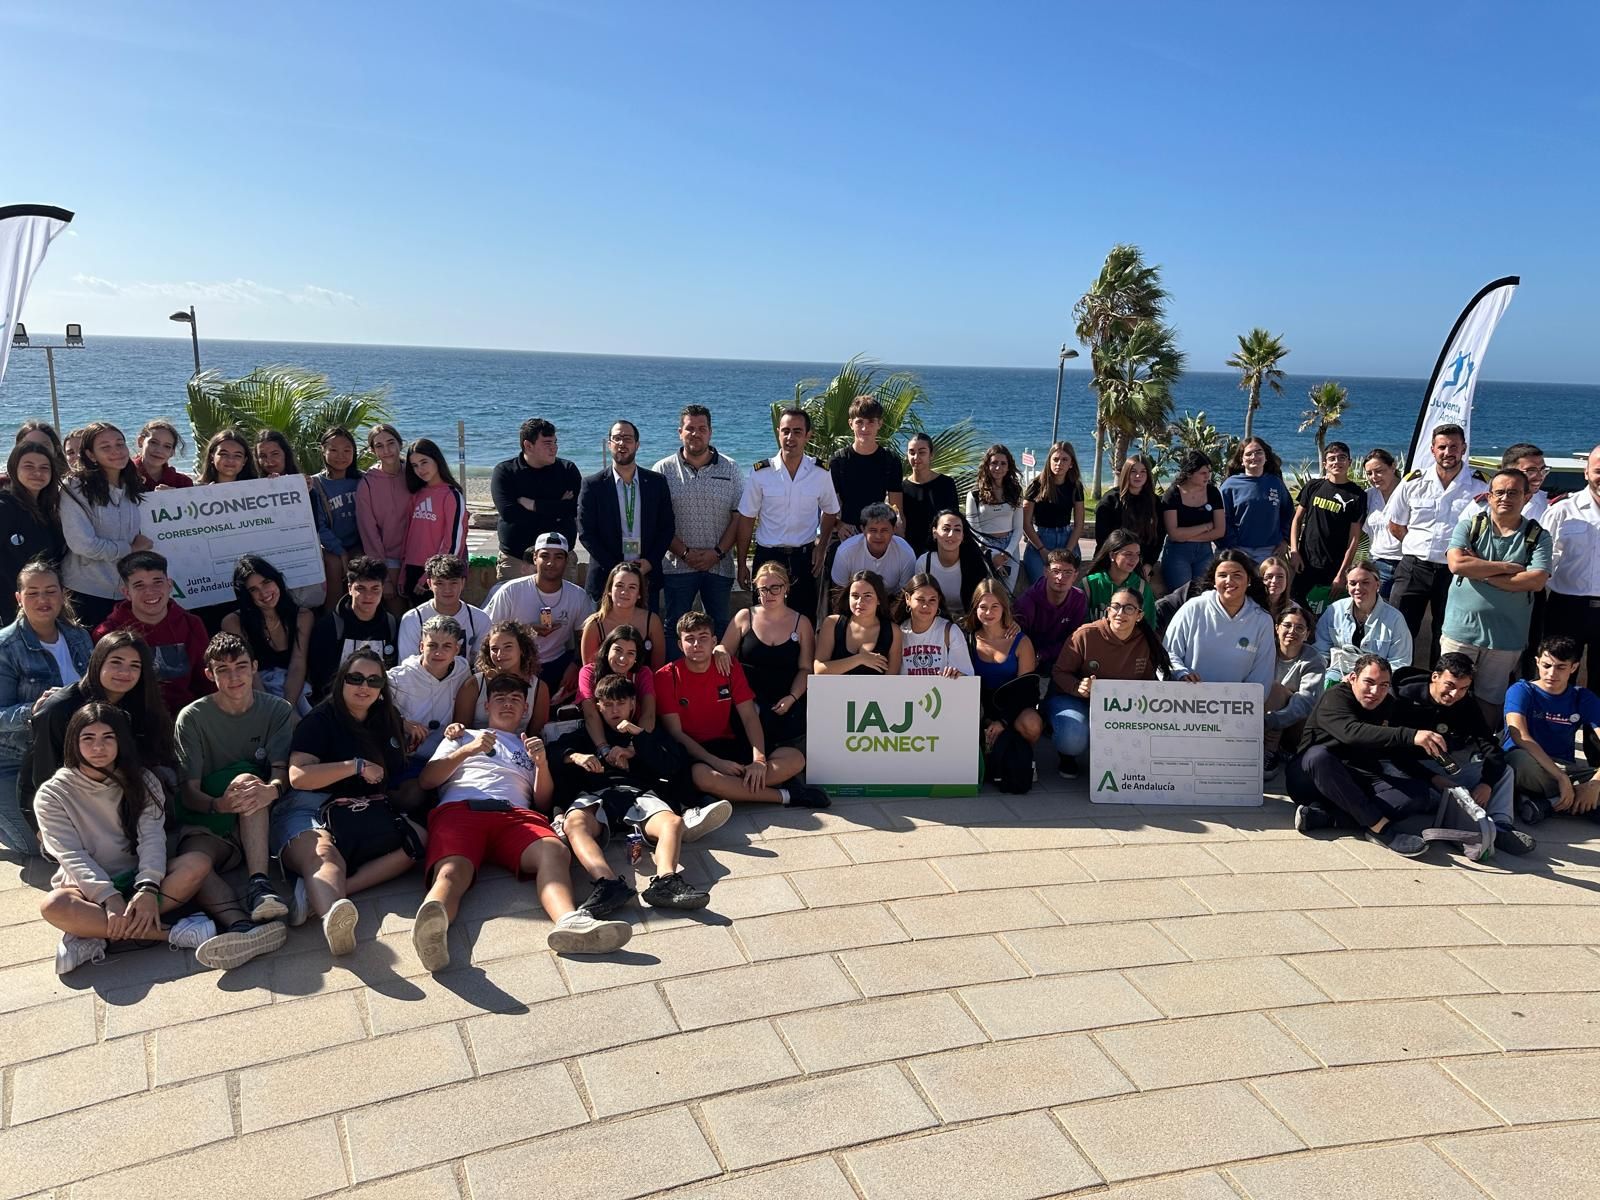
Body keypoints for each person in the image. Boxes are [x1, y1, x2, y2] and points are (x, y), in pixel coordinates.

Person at [37, 704, 282, 975]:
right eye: (88, 738)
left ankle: (96, 934)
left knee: (197, 863)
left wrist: (147, 888)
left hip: (143, 881)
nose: (98, 747)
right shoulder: (52, 795)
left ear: (121, 741)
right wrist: (110, 899)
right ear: (74, 742)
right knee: (54, 905)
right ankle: (175, 933)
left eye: (108, 738)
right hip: (90, 890)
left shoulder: (142, 780)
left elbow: (151, 837)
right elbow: (72, 856)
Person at [413, 673, 635, 968]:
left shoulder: (531, 745)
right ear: (487, 705)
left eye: (515, 699)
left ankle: (569, 921)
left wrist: (541, 764)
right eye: (501, 699)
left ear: (525, 710)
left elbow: (542, 802)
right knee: (453, 872)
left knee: (554, 850)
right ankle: (432, 926)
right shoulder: (462, 735)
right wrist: (469, 749)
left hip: (515, 814)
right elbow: (427, 781)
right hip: (461, 809)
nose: (508, 704)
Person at [279, 648, 423, 955]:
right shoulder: (320, 720)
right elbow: (298, 777)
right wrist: (353, 765)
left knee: (418, 840)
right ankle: (334, 919)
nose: (364, 687)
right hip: (311, 805)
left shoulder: (386, 718)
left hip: (360, 808)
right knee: (324, 856)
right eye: (356, 678)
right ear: (341, 680)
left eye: (373, 681)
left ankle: (324, 893)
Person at [552, 673, 714, 915]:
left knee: (672, 822)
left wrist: (638, 746)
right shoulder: (585, 734)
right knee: (574, 824)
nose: (614, 710)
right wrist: (575, 756)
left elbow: (672, 763)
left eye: (620, 703)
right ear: (598, 706)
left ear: (632, 704)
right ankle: (608, 884)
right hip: (596, 793)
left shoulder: (644, 733)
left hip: (639, 794)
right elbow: (552, 752)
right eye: (607, 704)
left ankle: (666, 881)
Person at [173, 634, 296, 936]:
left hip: (258, 812)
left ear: (254, 666)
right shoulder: (192, 718)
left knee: (246, 782)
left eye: (241, 666)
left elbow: (282, 771)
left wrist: (273, 789)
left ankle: (258, 885)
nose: (234, 677)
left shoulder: (277, 710)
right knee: (195, 865)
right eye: (223, 669)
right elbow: (189, 792)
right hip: (211, 817)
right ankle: (241, 927)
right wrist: (219, 805)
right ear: (209, 675)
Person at [659, 611, 827, 808]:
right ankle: (786, 795)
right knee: (702, 778)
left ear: (714, 642)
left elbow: (748, 716)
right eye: (690, 639)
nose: (696, 645)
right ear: (680, 645)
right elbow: (675, 733)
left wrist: (759, 760)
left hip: (728, 743)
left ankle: (728, 790)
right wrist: (715, 762)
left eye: (703, 638)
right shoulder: (666, 676)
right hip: (696, 752)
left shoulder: (728, 666)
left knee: (795, 759)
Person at [22, 632, 176, 833]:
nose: (124, 672)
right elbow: (45, 774)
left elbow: (155, 754)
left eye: (134, 666)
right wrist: (46, 828)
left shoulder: (141, 703)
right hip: (61, 794)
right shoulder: (59, 709)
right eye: (116, 662)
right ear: (97, 661)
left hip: (116, 789)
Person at [1286, 654, 1439, 858]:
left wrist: (1433, 778)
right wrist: (1411, 735)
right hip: (1311, 778)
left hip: (1357, 776)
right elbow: (1351, 732)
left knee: (1419, 796)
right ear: (1352, 678)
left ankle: (1328, 818)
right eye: (1369, 682)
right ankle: (1381, 829)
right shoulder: (1335, 697)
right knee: (1319, 756)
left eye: (1384, 685)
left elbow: (1395, 751)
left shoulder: (1387, 705)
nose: (1376, 691)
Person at [1396, 653, 1532, 856]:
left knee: (1505, 772)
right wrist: (1433, 778)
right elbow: (1393, 752)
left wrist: (1487, 783)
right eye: (1450, 685)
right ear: (1435, 677)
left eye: (1463, 688)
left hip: (1445, 767)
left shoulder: (1465, 703)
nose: (1454, 694)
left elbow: (1489, 744)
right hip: (1408, 769)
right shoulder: (1404, 696)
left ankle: (1502, 827)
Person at [1440, 467, 1552, 716]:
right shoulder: (1470, 526)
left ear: (1527, 497)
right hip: (1460, 630)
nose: (1505, 498)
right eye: (1499, 492)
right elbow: (1457, 564)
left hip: (1506, 636)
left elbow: (1535, 580)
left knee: (1491, 698)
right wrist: (1506, 569)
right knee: (1448, 692)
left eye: (1513, 493)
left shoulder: (1538, 537)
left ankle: (1483, 747)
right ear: (1489, 496)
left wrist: (1481, 571)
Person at [0, 561, 91, 851]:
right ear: (19, 598)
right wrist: (33, 709)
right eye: (33, 592)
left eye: (50, 591)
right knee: (38, 848)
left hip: (71, 757)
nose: (43, 600)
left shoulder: (79, 636)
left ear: (63, 594)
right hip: (15, 761)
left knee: (92, 839)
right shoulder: (5, 646)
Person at [1388, 423, 1484, 664]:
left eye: (1454, 446)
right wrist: (1416, 544)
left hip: (1454, 572)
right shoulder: (1413, 482)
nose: (1447, 452)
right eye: (1442, 447)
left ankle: (1437, 689)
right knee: (1400, 630)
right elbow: (1396, 524)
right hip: (1413, 568)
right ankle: (1398, 686)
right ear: (1433, 450)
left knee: (1447, 635)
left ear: (1463, 448)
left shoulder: (1481, 487)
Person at [1048, 585, 1168, 776]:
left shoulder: (1147, 641)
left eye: (1129, 608)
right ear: (1108, 610)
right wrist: (1078, 686)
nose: (1121, 613)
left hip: (1120, 705)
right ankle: (1067, 756)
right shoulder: (1085, 634)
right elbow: (1059, 672)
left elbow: (1148, 681)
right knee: (1072, 738)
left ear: (1139, 615)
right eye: (1116, 606)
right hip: (1075, 699)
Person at [735, 407, 840, 626]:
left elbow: (831, 510)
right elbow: (746, 518)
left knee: (804, 621)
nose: (790, 437)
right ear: (778, 433)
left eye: (797, 431)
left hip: (804, 559)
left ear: (807, 436)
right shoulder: (760, 472)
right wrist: (743, 561)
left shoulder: (821, 473)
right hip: (768, 558)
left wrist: (820, 548)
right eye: (785, 431)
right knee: (764, 621)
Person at [653, 405, 744, 656]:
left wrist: (717, 552)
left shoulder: (731, 468)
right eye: (690, 428)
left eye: (702, 428)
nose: (696, 434)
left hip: (719, 565)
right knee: (675, 629)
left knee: (720, 629)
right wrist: (685, 553)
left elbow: (738, 517)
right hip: (677, 566)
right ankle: (674, 685)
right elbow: (658, 522)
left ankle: (719, 685)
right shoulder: (662, 470)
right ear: (679, 432)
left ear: (710, 432)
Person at [95, 550, 212, 713]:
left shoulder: (192, 624)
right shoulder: (107, 633)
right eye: (139, 585)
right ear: (126, 593)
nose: (150, 591)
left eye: (157, 582)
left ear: (169, 585)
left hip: (187, 717)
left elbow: (206, 682)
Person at [483, 532, 594, 704]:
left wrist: (576, 665)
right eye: (544, 556)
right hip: (515, 663)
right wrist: (526, 631)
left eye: (558, 557)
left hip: (556, 662)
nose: (551, 563)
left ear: (566, 561)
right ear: (534, 558)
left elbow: (585, 637)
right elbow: (489, 632)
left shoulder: (577, 596)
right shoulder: (511, 591)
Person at [1502, 636, 1600, 827]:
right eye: (1546, 665)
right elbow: (1519, 736)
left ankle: (1547, 803)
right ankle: (1575, 801)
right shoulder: (1521, 690)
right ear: (1537, 662)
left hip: (1565, 767)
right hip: (1528, 762)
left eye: (1561, 667)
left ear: (1574, 668)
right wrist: (1561, 778)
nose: (1551, 673)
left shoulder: (1583, 697)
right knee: (1520, 763)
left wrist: (1595, 783)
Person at [60, 422, 150, 630]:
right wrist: (130, 549)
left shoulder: (132, 486)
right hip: (86, 593)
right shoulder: (74, 487)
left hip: (125, 591)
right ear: (91, 455)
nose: (116, 451)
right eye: (105, 447)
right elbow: (84, 545)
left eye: (120, 444)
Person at [577, 420, 675, 608]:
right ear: (609, 444)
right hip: (606, 578)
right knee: (605, 636)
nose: (622, 443)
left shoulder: (656, 482)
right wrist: (617, 569)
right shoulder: (592, 485)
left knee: (645, 635)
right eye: (617, 438)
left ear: (637, 445)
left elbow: (667, 527)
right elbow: (586, 533)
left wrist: (650, 561)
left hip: (646, 577)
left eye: (627, 439)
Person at [720, 560, 814, 750]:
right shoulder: (744, 617)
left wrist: (792, 698)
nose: (769, 594)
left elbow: (806, 668)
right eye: (763, 589)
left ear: (786, 588)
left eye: (775, 588)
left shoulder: (802, 623)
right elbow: (723, 649)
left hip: (785, 701)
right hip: (747, 702)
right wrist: (720, 651)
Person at [1163, 550, 1277, 697]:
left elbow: (1262, 672)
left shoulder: (1262, 620)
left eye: (1237, 575)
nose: (1229, 581)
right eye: (1222, 575)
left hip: (1237, 707)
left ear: (1248, 580)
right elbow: (1169, 653)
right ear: (1214, 581)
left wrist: (1246, 701)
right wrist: (1181, 674)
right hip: (1188, 701)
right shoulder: (1193, 608)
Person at [966, 578, 1044, 789]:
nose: (988, 612)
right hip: (980, 707)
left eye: (994, 607)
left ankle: (1024, 756)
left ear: (1004, 608)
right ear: (975, 609)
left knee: (1032, 723)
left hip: (1013, 706)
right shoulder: (967, 638)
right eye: (983, 607)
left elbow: (1026, 691)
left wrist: (1003, 721)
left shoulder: (1021, 641)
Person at [489, 417, 582, 582]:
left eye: (555, 442)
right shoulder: (505, 472)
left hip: (560, 558)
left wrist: (534, 505)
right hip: (517, 559)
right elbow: (510, 514)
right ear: (528, 445)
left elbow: (575, 509)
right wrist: (557, 507)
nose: (554, 448)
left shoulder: (567, 470)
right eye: (547, 443)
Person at [221, 554, 315, 713]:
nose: (264, 593)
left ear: (277, 580)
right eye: (253, 589)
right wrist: (274, 712)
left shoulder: (303, 616)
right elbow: (250, 673)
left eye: (266, 582)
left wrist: (287, 709)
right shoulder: (233, 622)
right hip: (257, 694)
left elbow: (298, 665)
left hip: (294, 691)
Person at [1538, 443, 1600, 680]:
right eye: (1599, 471)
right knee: (1558, 677)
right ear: (1586, 472)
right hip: (1566, 608)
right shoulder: (1562, 510)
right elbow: (1541, 560)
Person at [306, 556, 401, 701]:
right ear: (349, 588)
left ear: (382, 589)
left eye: (375, 589)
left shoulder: (392, 625)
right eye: (360, 589)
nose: (368, 596)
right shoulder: (328, 627)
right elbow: (321, 679)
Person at [388, 615, 473, 769]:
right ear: (421, 647)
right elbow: (373, 710)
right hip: (408, 757)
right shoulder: (397, 678)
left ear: (456, 649)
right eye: (432, 645)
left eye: (447, 646)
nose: (439, 653)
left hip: (447, 756)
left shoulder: (463, 670)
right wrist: (402, 723)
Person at [1289, 441, 1365, 606]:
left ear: (1349, 462)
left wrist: (1342, 573)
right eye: (1332, 459)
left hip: (1334, 567)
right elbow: (1297, 520)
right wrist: (1294, 551)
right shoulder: (1313, 486)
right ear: (1325, 464)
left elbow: (1354, 539)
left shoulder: (1357, 495)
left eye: (1342, 458)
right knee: (1298, 607)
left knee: (1328, 615)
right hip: (1305, 562)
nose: (1336, 462)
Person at [0, 440, 66, 625]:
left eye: (44, 467)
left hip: (47, 608)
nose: (37, 473)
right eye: (28, 466)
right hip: (11, 613)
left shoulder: (51, 510)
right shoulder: (5, 508)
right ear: (13, 468)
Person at [1314, 559, 1413, 682]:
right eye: (1353, 583)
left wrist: (1365, 681)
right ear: (1347, 586)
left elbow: (1400, 662)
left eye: (1365, 582)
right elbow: (1320, 650)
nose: (1358, 588)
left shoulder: (1395, 619)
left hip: (1376, 681)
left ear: (1378, 584)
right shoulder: (1334, 610)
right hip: (1336, 674)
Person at [452, 620, 551, 737]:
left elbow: (537, 734)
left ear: (522, 649)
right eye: (494, 649)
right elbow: (460, 731)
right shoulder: (473, 685)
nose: (500, 654)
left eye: (508, 647)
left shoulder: (539, 688)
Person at [398, 438, 468, 601]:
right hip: (412, 571)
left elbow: (453, 543)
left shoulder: (452, 495)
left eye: (424, 462)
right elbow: (409, 539)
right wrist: (403, 573)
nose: (420, 469)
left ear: (437, 460)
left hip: (436, 576)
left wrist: (429, 577)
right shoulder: (417, 494)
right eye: (415, 465)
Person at [828, 395, 904, 542]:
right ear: (851, 424)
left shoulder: (890, 460)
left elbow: (897, 509)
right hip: (847, 533)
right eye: (859, 422)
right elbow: (828, 507)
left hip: (879, 534)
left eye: (870, 422)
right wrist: (839, 525)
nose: (865, 428)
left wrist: (900, 542)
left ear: (879, 423)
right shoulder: (838, 461)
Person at [355, 423, 412, 611]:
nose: (386, 450)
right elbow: (369, 533)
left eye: (390, 443)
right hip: (390, 560)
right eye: (379, 446)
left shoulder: (415, 473)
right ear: (372, 451)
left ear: (400, 444)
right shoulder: (368, 484)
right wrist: (384, 576)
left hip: (419, 556)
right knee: (399, 615)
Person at [1264, 603, 1326, 770]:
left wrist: (1273, 720)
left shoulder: (1314, 660)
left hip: (1295, 725)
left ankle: (1269, 753)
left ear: (1307, 634)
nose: (1292, 631)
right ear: (1276, 628)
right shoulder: (1264, 651)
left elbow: (1306, 702)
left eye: (1300, 628)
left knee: (1277, 689)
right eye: (1287, 625)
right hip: (1262, 720)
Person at [398, 553, 489, 663]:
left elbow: (481, 664)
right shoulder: (413, 619)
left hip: (466, 678)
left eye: (453, 583)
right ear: (429, 584)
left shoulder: (479, 619)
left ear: (463, 583)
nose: (447, 590)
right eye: (440, 583)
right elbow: (408, 665)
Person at [579, 561, 667, 672]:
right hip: (604, 687)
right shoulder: (594, 624)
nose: (625, 591)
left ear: (639, 594)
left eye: (632, 587)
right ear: (610, 590)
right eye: (619, 585)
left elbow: (657, 668)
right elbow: (589, 671)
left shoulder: (652, 621)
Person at [1159, 451, 1227, 592]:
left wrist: (1187, 536)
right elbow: (1174, 534)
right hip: (1177, 552)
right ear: (1189, 473)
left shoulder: (1213, 492)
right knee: (1181, 595)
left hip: (1204, 552)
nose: (1207, 476)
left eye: (1209, 472)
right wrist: (1206, 526)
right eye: (1203, 473)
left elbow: (1220, 530)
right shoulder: (1172, 495)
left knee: (1204, 595)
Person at [312, 426, 364, 605]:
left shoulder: (362, 480)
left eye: (347, 450)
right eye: (333, 450)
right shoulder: (316, 484)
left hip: (359, 543)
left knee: (362, 566)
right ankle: (333, 618)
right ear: (323, 450)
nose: (340, 455)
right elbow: (318, 524)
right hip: (331, 545)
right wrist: (340, 551)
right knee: (334, 566)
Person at [1220, 437, 1293, 565]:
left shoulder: (1276, 483)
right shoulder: (1229, 485)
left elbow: (1288, 513)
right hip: (1239, 550)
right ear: (1241, 460)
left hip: (1271, 550)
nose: (1254, 456)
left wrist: (1285, 541)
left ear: (1266, 457)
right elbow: (1223, 519)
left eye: (1259, 452)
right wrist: (1233, 547)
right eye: (1248, 454)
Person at [1020, 441, 1086, 584]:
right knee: (1041, 586)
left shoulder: (1075, 486)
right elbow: (1025, 523)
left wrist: (1068, 551)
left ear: (1071, 463)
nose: (1059, 463)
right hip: (1041, 540)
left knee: (1066, 587)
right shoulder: (1036, 485)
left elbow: (1079, 524)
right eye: (1055, 459)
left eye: (1064, 460)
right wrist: (1042, 550)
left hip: (1067, 539)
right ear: (1049, 461)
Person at [816, 570, 902, 677]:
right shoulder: (832, 623)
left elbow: (892, 679)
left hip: (876, 693)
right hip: (836, 693)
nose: (860, 602)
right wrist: (860, 659)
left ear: (879, 599)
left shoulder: (893, 631)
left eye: (867, 596)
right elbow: (819, 670)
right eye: (855, 596)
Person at [913, 509, 994, 620]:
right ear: (935, 532)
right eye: (946, 529)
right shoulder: (924, 562)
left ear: (963, 536)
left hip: (969, 620)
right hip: (934, 620)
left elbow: (988, 601)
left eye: (957, 530)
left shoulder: (975, 563)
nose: (951, 534)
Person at [1015, 549, 1087, 671]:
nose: (1060, 577)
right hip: (1031, 657)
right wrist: (1035, 656)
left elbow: (1074, 638)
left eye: (1068, 572)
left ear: (1075, 575)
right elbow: (1018, 638)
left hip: (1063, 655)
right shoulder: (1027, 602)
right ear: (1046, 572)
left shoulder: (1079, 598)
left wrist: (1046, 654)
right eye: (1055, 571)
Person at [966, 444, 1025, 591]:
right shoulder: (974, 494)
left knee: (1006, 594)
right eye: (994, 463)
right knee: (986, 592)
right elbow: (973, 529)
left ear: (1008, 466)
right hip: (984, 548)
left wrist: (1007, 553)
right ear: (987, 465)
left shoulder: (1015, 491)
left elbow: (1018, 527)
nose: (998, 467)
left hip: (1010, 548)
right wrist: (992, 554)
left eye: (1003, 463)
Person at [830, 502, 916, 602]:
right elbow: (838, 594)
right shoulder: (845, 552)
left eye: (884, 530)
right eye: (873, 530)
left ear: (894, 530)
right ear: (863, 530)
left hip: (891, 604)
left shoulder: (906, 553)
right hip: (855, 604)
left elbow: (904, 596)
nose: (878, 536)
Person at [1094, 454, 1164, 576]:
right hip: (1111, 562)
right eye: (1133, 471)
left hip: (1142, 564)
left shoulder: (1155, 502)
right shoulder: (1110, 500)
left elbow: (1159, 537)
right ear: (1126, 473)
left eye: (1143, 472)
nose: (1138, 476)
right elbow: (1102, 540)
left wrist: (1149, 564)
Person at [898, 574, 973, 678]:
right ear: (908, 598)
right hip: (906, 694)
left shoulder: (951, 631)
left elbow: (968, 678)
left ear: (939, 600)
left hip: (940, 694)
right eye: (920, 599)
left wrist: (958, 675)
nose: (926, 606)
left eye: (932, 600)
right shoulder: (897, 632)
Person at [900, 432, 959, 558]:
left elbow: (954, 519)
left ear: (931, 455)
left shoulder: (946, 484)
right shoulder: (902, 488)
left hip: (941, 551)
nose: (916, 457)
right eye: (912, 452)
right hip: (910, 552)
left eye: (922, 452)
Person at [1081, 530, 1157, 624]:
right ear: (1112, 555)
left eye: (1137, 554)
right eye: (1128, 554)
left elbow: (1150, 625)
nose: (1134, 559)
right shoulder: (1089, 584)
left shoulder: (1142, 587)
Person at [1361, 448, 1404, 598]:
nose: (1374, 477)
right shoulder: (1368, 496)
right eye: (1369, 473)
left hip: (1406, 564)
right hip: (1377, 563)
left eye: (1379, 471)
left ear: (1393, 466)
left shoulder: (1410, 491)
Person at [132, 419, 192, 490]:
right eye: (154, 442)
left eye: (167, 446)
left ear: (172, 452)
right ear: (141, 441)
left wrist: (175, 496)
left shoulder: (183, 483)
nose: (159, 450)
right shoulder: (122, 477)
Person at [1258, 554, 1296, 623]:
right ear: (1261, 579)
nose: (1274, 581)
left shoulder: (1294, 609)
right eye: (1269, 576)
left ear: (1287, 580)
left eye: (1280, 576)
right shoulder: (1250, 606)